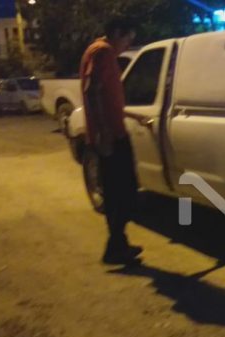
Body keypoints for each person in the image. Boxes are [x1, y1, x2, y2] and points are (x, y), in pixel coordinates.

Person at [80, 18, 142, 264]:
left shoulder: (97, 51)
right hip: (112, 136)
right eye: (127, 39)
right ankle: (115, 247)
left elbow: (106, 96)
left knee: (118, 191)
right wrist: (104, 131)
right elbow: (91, 90)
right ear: (117, 32)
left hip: (111, 132)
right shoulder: (103, 52)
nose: (127, 46)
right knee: (123, 191)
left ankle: (118, 245)